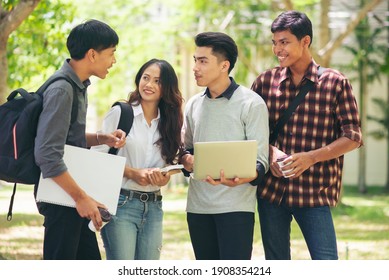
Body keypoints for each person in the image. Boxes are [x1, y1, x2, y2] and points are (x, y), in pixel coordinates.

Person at [251, 10, 363, 260]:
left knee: (326, 262)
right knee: (277, 265)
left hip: (314, 192)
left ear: (305, 41)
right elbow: (249, 133)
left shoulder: (336, 82)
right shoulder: (264, 82)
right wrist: (270, 153)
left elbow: (353, 136)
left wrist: (311, 157)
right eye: (274, 42)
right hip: (271, 192)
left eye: (284, 42)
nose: (278, 49)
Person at [34, 19, 126, 260]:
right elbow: (48, 154)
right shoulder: (62, 89)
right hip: (63, 199)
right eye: (111, 53)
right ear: (93, 54)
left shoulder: (78, 86)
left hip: (71, 198)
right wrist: (81, 198)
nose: (114, 60)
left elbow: (65, 137)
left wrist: (99, 137)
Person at [180, 32, 269, 260]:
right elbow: (185, 149)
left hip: (236, 208)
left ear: (224, 65)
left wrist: (244, 177)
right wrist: (186, 160)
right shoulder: (193, 105)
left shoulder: (252, 103)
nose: (195, 68)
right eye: (195, 60)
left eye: (203, 61)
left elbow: (261, 162)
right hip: (198, 208)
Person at [92, 58, 184, 260]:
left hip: (154, 206)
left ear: (167, 87)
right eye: (146, 78)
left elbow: (172, 161)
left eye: (158, 81)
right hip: (121, 204)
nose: (149, 85)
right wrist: (132, 173)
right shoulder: (121, 113)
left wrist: (164, 176)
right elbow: (96, 157)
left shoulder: (170, 121)